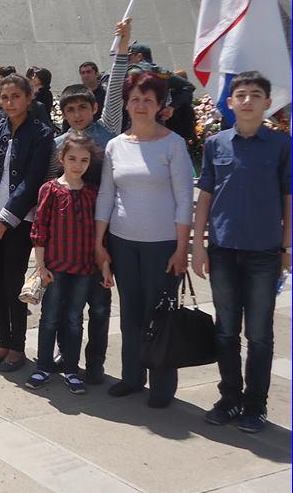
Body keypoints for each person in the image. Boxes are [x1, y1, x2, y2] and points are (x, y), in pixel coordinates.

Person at [193, 71, 291, 433]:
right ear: (230, 103)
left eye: (255, 95)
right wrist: (197, 246)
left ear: (267, 102)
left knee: (261, 334)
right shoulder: (216, 144)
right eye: (241, 95)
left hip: (264, 253)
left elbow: (288, 198)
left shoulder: (281, 145)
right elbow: (205, 195)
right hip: (222, 251)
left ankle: (256, 405)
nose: (247, 100)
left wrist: (287, 247)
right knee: (226, 331)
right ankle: (230, 397)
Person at [95, 71, 193, 408]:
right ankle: (132, 376)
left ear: (159, 105)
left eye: (147, 100)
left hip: (163, 246)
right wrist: (99, 243)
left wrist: (183, 249)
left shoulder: (173, 144)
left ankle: (163, 385)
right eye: (135, 99)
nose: (140, 105)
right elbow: (106, 196)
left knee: (160, 315)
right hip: (123, 242)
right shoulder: (115, 146)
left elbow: (184, 200)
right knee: (131, 314)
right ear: (126, 103)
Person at [47, 20, 130, 383]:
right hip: (69, 235)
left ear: (93, 109)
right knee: (68, 305)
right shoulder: (59, 143)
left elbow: (115, 92)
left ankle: (94, 363)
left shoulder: (107, 130)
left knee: (99, 306)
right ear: (64, 114)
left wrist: (122, 47)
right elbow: (53, 189)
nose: (78, 115)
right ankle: (68, 357)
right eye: (71, 110)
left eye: (83, 108)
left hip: (105, 231)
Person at [0, 74, 54, 372]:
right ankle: (2, 342)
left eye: (15, 97)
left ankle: (17, 347)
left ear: (29, 97)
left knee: (13, 284)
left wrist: (5, 220)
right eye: (4, 98)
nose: (9, 103)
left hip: (18, 221)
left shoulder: (41, 134)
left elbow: (31, 183)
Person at [27, 131, 102, 394]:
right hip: (55, 268)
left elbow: (97, 232)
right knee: (49, 318)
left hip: (83, 269)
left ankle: (71, 368)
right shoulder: (50, 190)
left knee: (73, 319)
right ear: (61, 158)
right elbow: (39, 229)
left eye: (83, 160)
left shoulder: (93, 193)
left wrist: (100, 266)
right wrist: (41, 265)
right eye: (72, 158)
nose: (77, 165)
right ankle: (43, 366)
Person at [126, 42, 195, 140]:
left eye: (129, 58)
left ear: (139, 56)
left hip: (134, 122)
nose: (128, 62)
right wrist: (171, 107)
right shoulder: (163, 72)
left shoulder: (132, 72)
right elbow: (188, 87)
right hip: (158, 122)